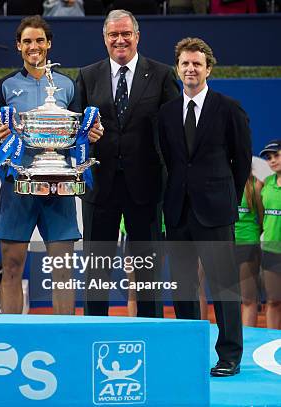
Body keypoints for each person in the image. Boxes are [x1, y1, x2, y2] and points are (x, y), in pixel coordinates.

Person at [0, 15, 97, 315]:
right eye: (27, 41)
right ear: (18, 46)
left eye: (39, 40)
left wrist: (90, 134)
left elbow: (78, 135)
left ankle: (64, 335)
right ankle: (10, 336)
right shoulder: (5, 86)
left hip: (59, 188)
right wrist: (3, 140)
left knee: (62, 270)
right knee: (11, 266)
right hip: (18, 188)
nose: (33, 46)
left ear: (48, 44)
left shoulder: (67, 85)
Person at [76, 9, 180, 318]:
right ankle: (93, 333)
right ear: (104, 39)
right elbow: (74, 132)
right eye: (113, 35)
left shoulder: (161, 75)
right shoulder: (87, 75)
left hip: (146, 188)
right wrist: (86, 136)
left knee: (148, 273)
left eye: (125, 34)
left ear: (137, 36)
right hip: (100, 187)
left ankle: (151, 333)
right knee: (97, 272)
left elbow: (174, 127)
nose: (119, 40)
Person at [159, 37, 251, 377]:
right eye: (184, 63)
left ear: (208, 68)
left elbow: (241, 162)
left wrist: (227, 199)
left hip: (215, 212)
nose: (190, 69)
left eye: (196, 63)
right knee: (184, 286)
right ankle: (188, 351)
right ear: (178, 69)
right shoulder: (167, 113)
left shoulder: (229, 108)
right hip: (178, 211)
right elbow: (169, 159)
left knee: (224, 286)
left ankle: (229, 356)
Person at [258, 140, 281, 329]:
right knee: (273, 301)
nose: (272, 161)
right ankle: (272, 342)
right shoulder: (266, 183)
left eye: (277, 155)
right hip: (271, 250)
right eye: (269, 158)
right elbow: (260, 215)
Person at [234, 174, 263, 327]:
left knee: (247, 298)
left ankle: (249, 341)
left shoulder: (255, 185)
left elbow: (262, 216)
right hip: (226, 245)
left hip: (248, 244)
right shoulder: (220, 183)